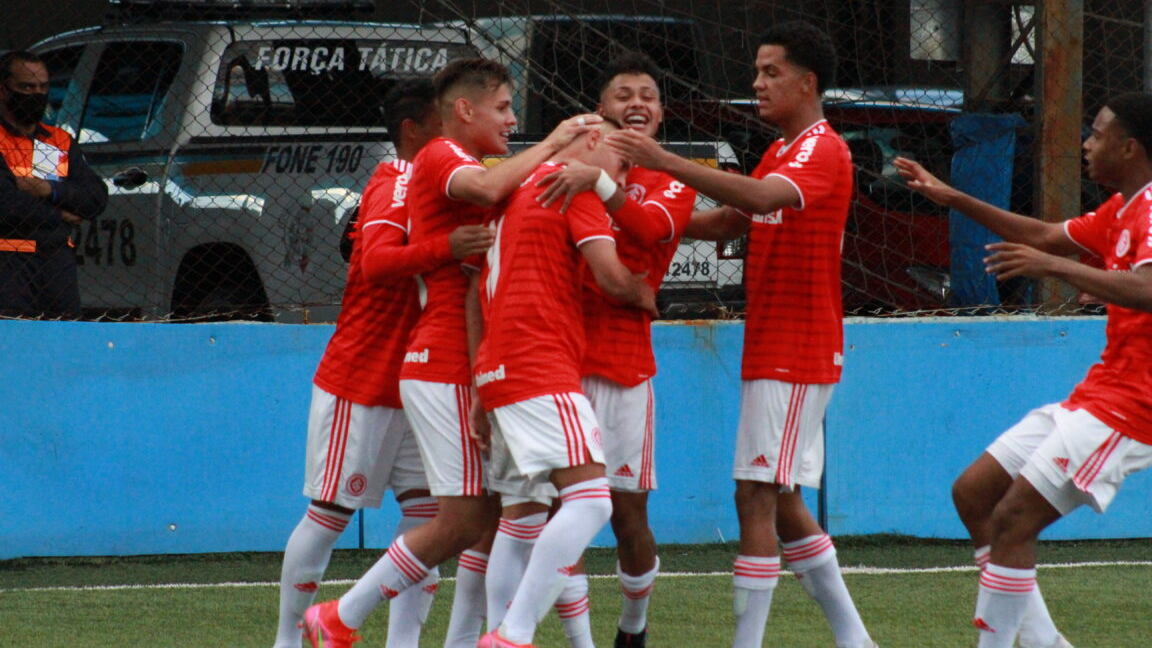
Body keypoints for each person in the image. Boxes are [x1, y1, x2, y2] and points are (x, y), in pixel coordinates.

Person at [302, 58, 599, 648]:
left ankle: (468, 636)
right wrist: (559, 141)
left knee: (499, 520)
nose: (514, 120)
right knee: (468, 521)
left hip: (469, 364)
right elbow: (487, 190)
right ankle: (340, 617)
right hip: (438, 362)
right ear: (463, 110)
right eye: (504, 108)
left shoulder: (481, 165)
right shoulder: (440, 155)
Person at [608, 21, 877, 648]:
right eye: (756, 71)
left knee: (754, 493)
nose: (756, 83)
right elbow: (730, 217)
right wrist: (627, 204)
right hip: (777, 342)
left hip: (798, 344)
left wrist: (664, 162)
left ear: (807, 83)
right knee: (779, 498)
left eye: (770, 72)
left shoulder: (820, 149)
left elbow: (756, 199)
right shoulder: (783, 148)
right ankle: (855, 637)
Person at [891, 95, 1152, 648]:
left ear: (1130, 148)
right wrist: (952, 196)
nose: (1087, 142)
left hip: (1132, 409)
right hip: (1097, 395)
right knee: (974, 494)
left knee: (1012, 521)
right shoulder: (1120, 209)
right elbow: (1043, 235)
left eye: (1098, 133)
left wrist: (1054, 267)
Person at [271, 78, 493, 648]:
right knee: (330, 512)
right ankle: (289, 640)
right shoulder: (396, 179)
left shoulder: (449, 181)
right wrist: (451, 247)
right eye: (442, 122)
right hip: (365, 373)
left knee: (430, 518)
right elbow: (375, 265)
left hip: (427, 375)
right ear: (414, 130)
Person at [473, 116, 659, 648]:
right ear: (594, 139)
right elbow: (609, 274)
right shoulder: (571, 185)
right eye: (622, 165)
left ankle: (498, 631)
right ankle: (512, 633)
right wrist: (641, 292)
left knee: (522, 517)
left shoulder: (513, 190)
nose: (620, 181)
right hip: (539, 361)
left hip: (499, 368)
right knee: (593, 501)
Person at [535, 51, 698, 648]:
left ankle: (633, 629)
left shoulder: (675, 179)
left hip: (627, 370)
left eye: (648, 95)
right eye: (623, 93)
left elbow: (653, 230)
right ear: (599, 110)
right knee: (557, 516)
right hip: (560, 364)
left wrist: (597, 182)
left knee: (629, 518)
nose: (636, 103)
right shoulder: (566, 168)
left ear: (660, 113)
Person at [0, 50, 107, 319]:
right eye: (26, 87)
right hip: (8, 265)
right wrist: (61, 213)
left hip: (56, 264)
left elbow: (95, 197)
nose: (37, 94)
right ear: (3, 91)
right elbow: (6, 205)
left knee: (65, 340)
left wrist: (50, 190)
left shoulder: (58, 140)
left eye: (43, 87)